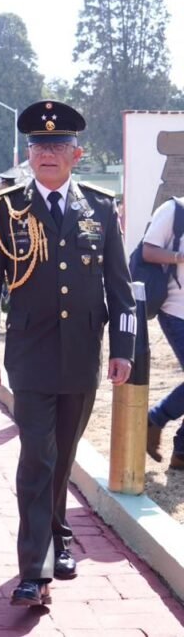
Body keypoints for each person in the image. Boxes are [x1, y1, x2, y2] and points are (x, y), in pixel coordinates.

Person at [0, 100, 135, 607]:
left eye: (57, 146)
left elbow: (120, 285)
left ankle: (59, 535)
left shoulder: (101, 207)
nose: (47, 153)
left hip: (83, 355)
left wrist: (124, 348)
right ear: (28, 155)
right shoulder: (7, 209)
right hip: (30, 356)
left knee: (60, 459)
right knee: (36, 458)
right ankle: (35, 570)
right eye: (39, 146)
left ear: (76, 154)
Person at [143, 197, 184, 468]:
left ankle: (181, 452)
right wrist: (179, 257)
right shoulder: (174, 210)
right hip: (176, 311)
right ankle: (155, 418)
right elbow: (148, 250)